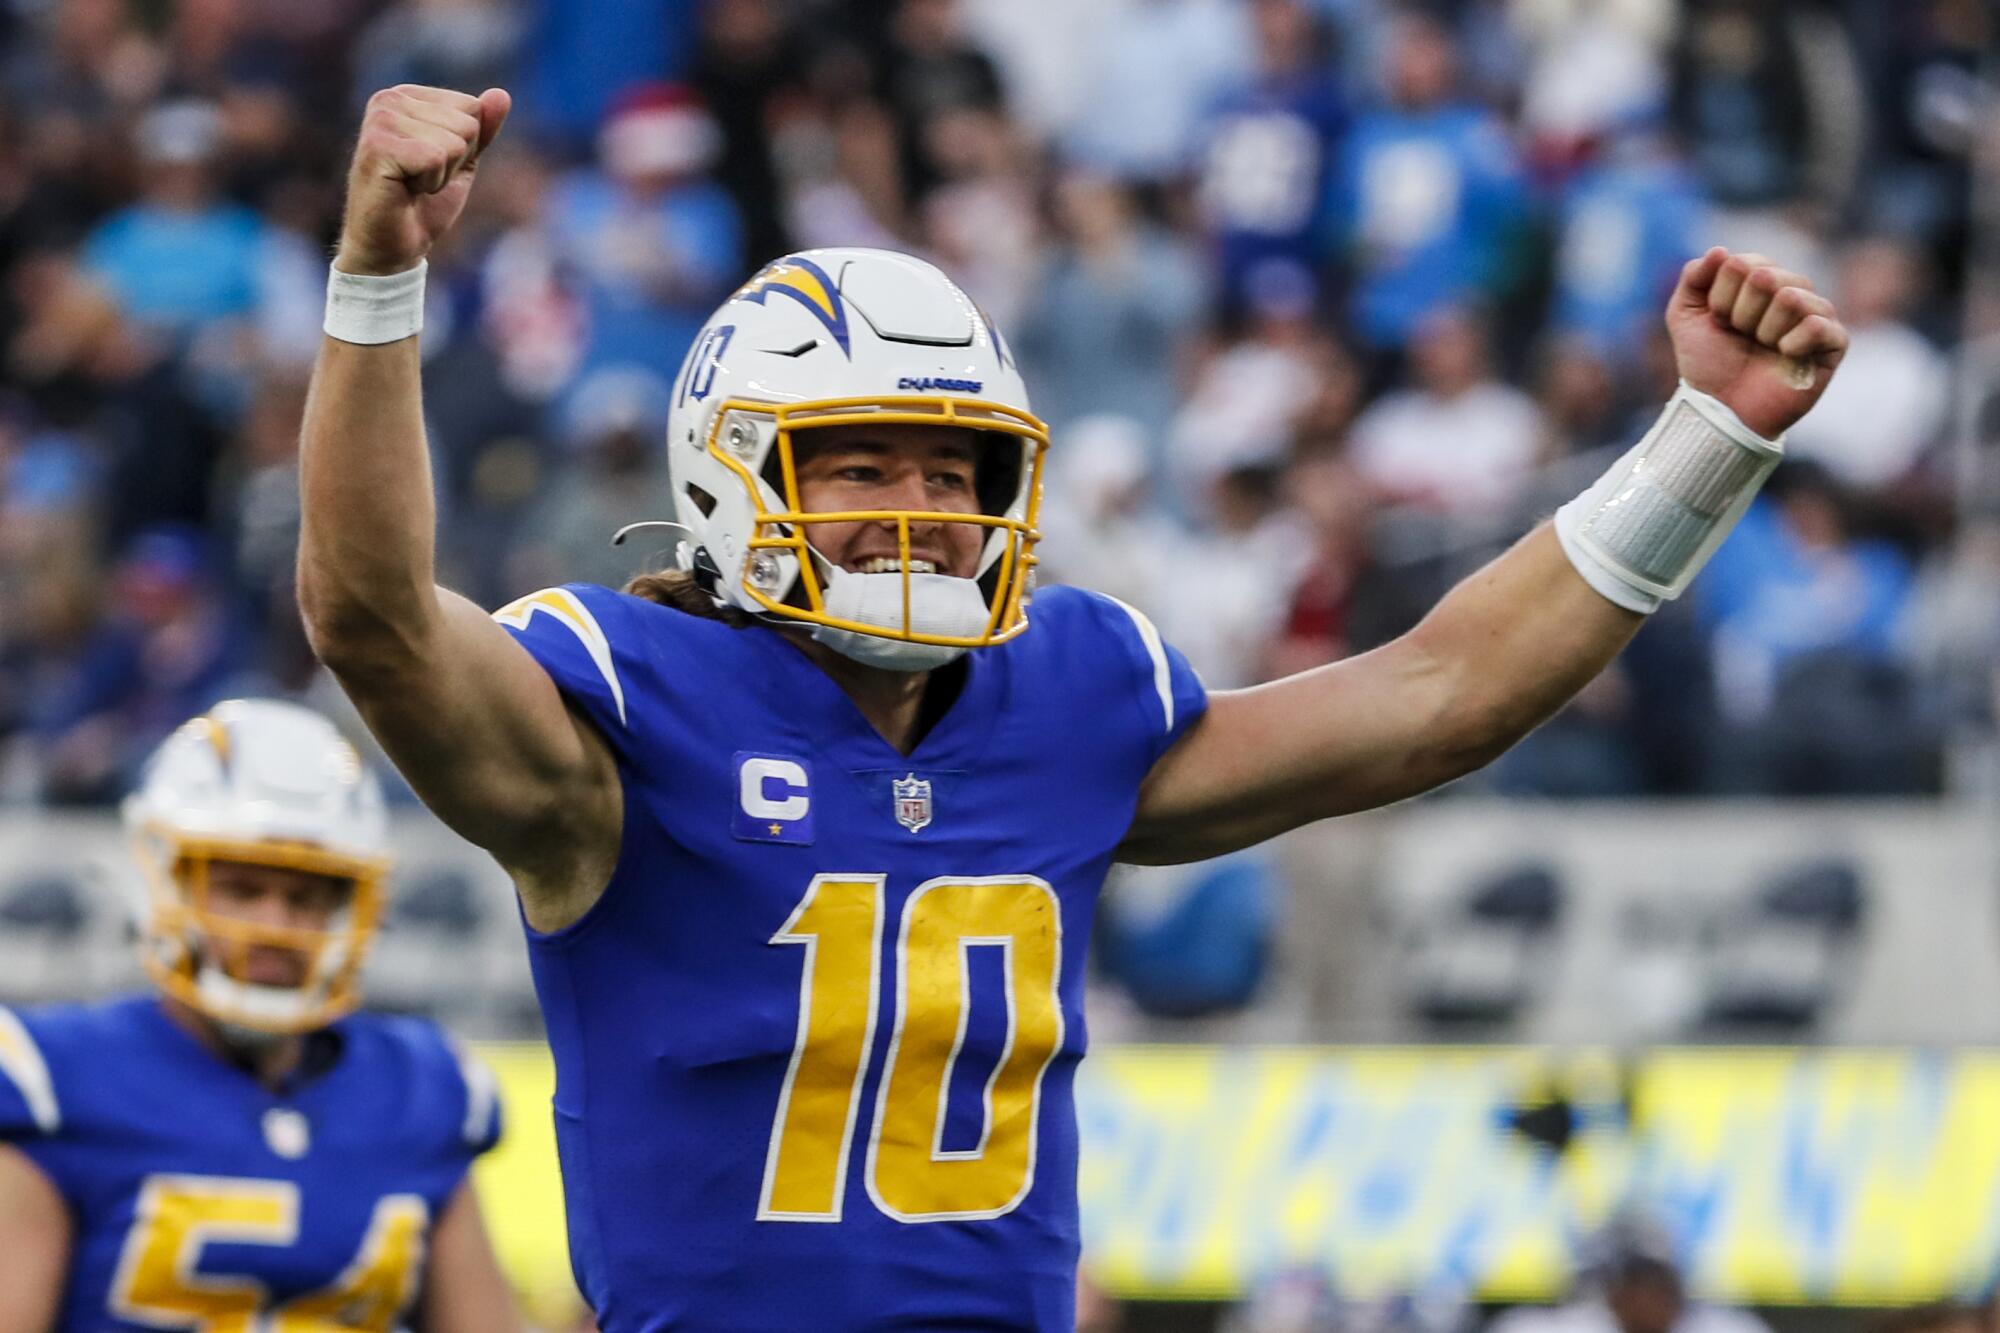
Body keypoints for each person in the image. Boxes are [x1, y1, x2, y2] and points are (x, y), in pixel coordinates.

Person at [297, 83, 1849, 1331]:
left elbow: (1438, 696)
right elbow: (370, 618)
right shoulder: (627, 714)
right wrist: (380, 278)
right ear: (729, 474)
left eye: (950, 470)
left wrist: (1708, 437)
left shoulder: (1069, 697)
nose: (918, 511)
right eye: (858, 463)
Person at [0, 699, 520, 1331]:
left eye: (305, 899)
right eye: (243, 891)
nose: (276, 928)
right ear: (163, 883)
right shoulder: (55, 1081)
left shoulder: (423, 1089)